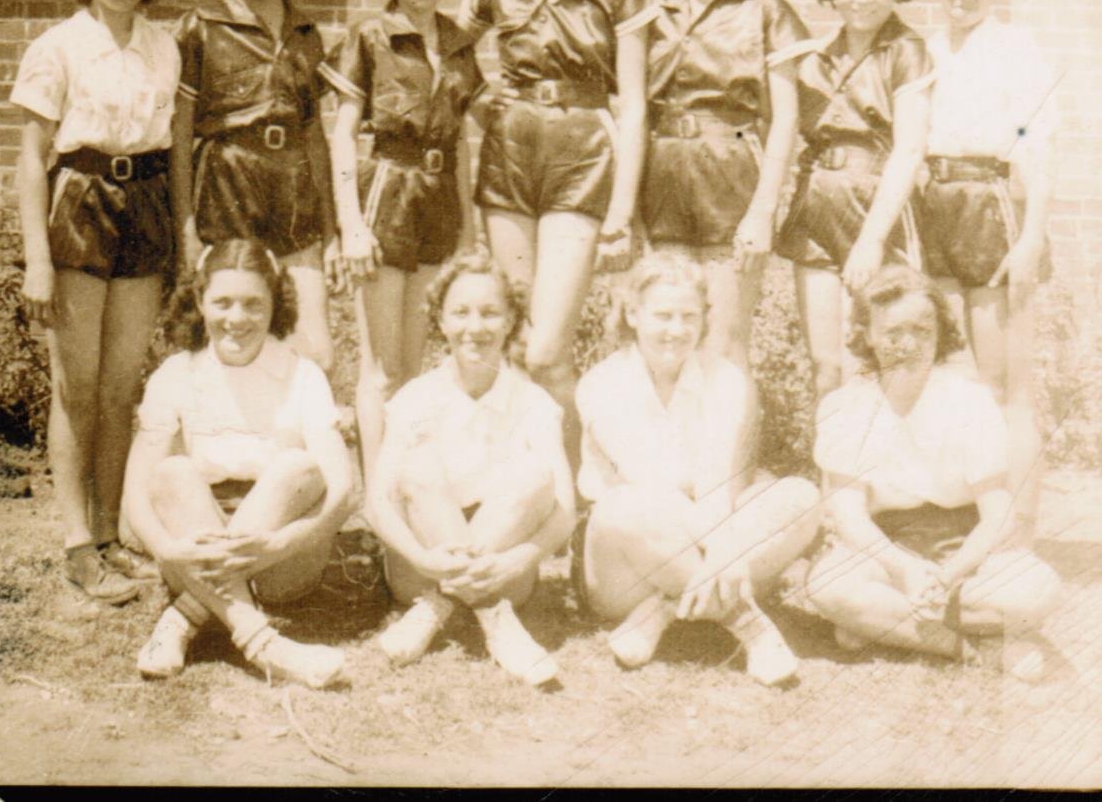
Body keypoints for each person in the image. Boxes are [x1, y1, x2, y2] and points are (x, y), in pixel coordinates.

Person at [457, 0, 647, 473]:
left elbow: (637, 101)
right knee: (513, 345)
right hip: (510, 155)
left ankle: (574, 490)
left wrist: (622, 209)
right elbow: (445, 52)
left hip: (583, 156)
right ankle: (516, 481)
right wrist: (485, 100)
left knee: (546, 353)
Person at [14, 0, 180, 604]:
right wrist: (37, 258)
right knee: (76, 386)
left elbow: (170, 151)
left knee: (120, 386)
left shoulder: (163, 46)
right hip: (79, 203)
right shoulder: (58, 45)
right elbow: (30, 160)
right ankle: (76, 543)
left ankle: (111, 533)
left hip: (142, 204)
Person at [574, 251, 821, 685]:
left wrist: (722, 547)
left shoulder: (725, 378)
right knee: (624, 506)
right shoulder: (602, 384)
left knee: (801, 497)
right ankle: (747, 623)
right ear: (633, 313)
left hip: (707, 532)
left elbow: (716, 479)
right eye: (663, 315)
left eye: (688, 317)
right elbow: (655, 487)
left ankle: (664, 609)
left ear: (703, 319)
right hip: (625, 560)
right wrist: (725, 550)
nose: (676, 330)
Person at [804, 266, 1061, 677]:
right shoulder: (845, 406)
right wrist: (904, 569)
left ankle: (880, 624)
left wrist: (948, 574)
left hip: (962, 549)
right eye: (893, 332)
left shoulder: (969, 401)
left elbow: (999, 517)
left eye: (923, 331)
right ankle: (971, 650)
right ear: (867, 334)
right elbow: (850, 516)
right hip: (884, 552)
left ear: (940, 333)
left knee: (1038, 591)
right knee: (826, 585)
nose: (909, 344)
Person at [123, 239, 352, 686]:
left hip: (282, 559)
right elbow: (136, 492)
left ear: (274, 305)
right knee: (172, 472)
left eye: (253, 304)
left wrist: (279, 544)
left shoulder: (302, 374)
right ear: (199, 301)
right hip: (195, 543)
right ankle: (262, 642)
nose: (237, 319)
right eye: (223, 302)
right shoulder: (175, 374)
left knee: (296, 468)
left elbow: (342, 490)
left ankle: (184, 617)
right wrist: (169, 550)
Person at [322, 0, 483, 476]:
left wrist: (468, 228)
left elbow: (460, 140)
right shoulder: (369, 37)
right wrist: (351, 225)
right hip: (386, 193)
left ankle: (406, 486)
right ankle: (376, 496)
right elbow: (342, 133)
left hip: (438, 201)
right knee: (381, 368)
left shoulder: (462, 43)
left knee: (415, 367)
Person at [367, 250, 576, 685]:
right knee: (419, 465)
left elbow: (565, 513)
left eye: (490, 313)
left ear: (510, 320)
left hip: (506, 571)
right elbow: (377, 504)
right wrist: (423, 557)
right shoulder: (415, 398)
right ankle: (493, 617)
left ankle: (441, 606)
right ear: (440, 320)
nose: (475, 328)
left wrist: (518, 559)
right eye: (460, 312)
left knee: (536, 474)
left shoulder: (534, 403)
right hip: (420, 567)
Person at [635, 0, 808, 367]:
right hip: (664, 183)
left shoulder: (765, 10)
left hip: (730, 181)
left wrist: (763, 210)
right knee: (666, 344)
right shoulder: (656, 13)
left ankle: (731, 448)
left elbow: (786, 118)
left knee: (724, 349)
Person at [922, 0, 1059, 546]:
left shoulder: (1016, 48)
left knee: (1005, 382)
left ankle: (1020, 534)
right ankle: (969, 525)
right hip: (935, 205)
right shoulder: (925, 49)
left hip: (994, 204)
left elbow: (1039, 144)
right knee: (954, 378)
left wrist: (1031, 237)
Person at [172, 0, 339, 372]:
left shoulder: (306, 32)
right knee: (226, 347)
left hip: (293, 198)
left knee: (315, 352)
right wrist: (186, 229)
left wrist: (330, 232)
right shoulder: (200, 26)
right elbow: (180, 138)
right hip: (226, 191)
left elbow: (316, 139)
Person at [775, 0, 934, 398]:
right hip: (817, 206)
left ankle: (879, 471)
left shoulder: (907, 51)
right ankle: (833, 473)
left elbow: (908, 150)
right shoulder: (816, 55)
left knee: (873, 359)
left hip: (876, 209)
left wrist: (871, 240)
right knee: (825, 364)